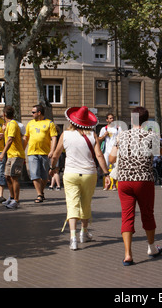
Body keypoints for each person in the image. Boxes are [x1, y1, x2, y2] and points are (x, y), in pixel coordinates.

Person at [50, 106, 110, 251]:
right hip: (89, 173)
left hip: (70, 173)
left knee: (72, 204)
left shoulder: (65, 134)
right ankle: (84, 232)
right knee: (86, 203)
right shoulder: (92, 135)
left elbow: (56, 154)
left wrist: (52, 168)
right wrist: (106, 173)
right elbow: (99, 155)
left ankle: (73, 238)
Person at [109, 106, 162, 266]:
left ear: (132, 120)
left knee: (127, 215)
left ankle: (127, 254)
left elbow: (111, 159)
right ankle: (151, 248)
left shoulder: (122, 136)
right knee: (147, 213)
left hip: (124, 181)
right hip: (144, 180)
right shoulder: (151, 135)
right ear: (146, 120)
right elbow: (160, 154)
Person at [24, 104, 58, 203]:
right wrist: (22, 150)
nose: (32, 114)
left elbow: (54, 137)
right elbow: (26, 138)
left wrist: (52, 150)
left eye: (33, 112)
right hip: (32, 153)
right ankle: (39, 195)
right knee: (34, 175)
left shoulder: (49, 123)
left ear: (39, 113)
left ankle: (41, 192)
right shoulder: (30, 123)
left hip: (45, 153)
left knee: (44, 176)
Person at [0, 105, 26, 209]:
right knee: (7, 176)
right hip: (11, 155)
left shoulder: (13, 124)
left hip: (17, 155)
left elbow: (10, 140)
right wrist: (3, 131)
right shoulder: (8, 125)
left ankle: (16, 201)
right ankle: (11, 197)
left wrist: (2, 154)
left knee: (14, 177)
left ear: (4, 114)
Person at [99, 113, 122, 190]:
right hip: (107, 151)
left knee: (115, 168)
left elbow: (121, 138)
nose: (112, 120)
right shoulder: (104, 129)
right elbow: (99, 139)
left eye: (112, 118)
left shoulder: (118, 128)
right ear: (107, 120)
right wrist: (104, 136)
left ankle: (114, 185)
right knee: (105, 168)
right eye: (110, 118)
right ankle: (107, 184)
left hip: (115, 150)